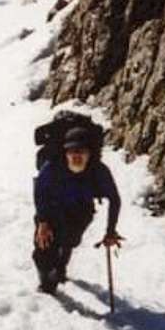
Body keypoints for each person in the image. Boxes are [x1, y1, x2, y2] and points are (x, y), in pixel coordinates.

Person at [32, 125, 123, 294]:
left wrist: (111, 231)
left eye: (81, 151)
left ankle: (60, 268)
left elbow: (115, 199)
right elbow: (39, 192)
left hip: (80, 213)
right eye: (72, 151)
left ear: (89, 153)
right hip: (51, 211)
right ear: (65, 152)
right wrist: (42, 222)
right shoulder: (53, 167)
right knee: (44, 248)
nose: (76, 155)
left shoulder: (99, 171)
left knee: (69, 241)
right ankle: (47, 285)